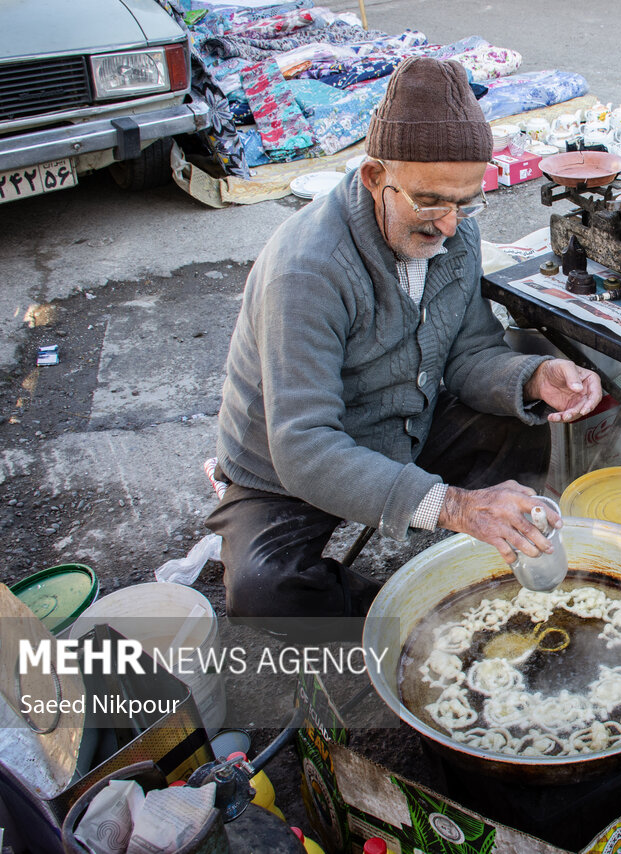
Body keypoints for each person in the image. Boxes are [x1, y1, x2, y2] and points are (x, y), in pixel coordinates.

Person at [205, 57, 601, 632]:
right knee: (266, 589)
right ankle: (405, 616)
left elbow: (468, 352)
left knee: (524, 422)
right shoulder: (308, 270)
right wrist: (456, 506)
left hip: (404, 423)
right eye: (430, 201)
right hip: (285, 467)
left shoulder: (454, 230)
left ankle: (485, 559)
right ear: (372, 177)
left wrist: (533, 376)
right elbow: (304, 447)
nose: (448, 225)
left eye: (465, 203)